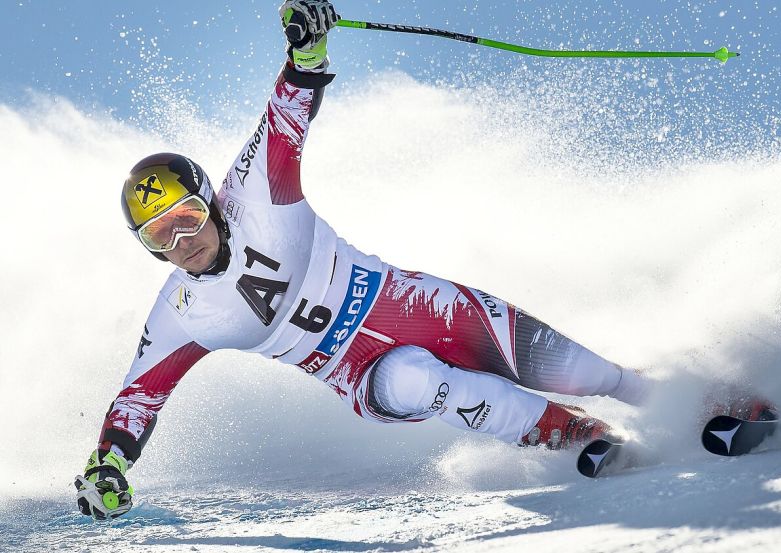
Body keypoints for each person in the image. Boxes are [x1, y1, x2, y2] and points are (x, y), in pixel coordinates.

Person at [74, 0, 652, 521]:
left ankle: (682, 397)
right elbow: (138, 397)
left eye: (189, 219)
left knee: (588, 372)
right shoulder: (182, 313)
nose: (182, 244)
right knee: (420, 380)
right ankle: (581, 435)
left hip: (416, 305)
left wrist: (306, 51)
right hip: (359, 374)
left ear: (212, 201)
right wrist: (109, 466)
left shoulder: (254, 193)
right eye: (160, 239)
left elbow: (285, 117)